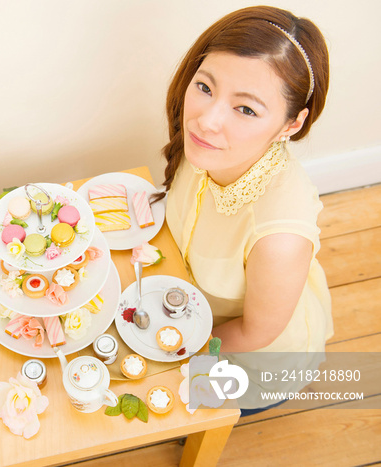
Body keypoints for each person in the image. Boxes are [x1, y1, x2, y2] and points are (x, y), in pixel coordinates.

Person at [157, 6, 333, 412]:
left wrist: (174, 352)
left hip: (246, 354)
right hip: (183, 302)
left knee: (189, 416)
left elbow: (255, 334)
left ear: (291, 124)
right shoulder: (208, 149)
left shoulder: (279, 239)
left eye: (247, 109)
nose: (207, 121)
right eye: (205, 87)